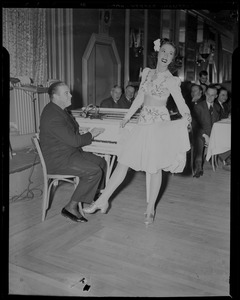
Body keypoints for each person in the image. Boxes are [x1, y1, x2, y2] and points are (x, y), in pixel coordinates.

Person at [83, 39, 191, 226]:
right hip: (142, 123)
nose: (166, 56)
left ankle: (150, 208)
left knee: (154, 168)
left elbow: (181, 103)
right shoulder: (147, 73)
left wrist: (187, 118)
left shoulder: (172, 80)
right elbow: (139, 98)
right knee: (123, 162)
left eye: (170, 53)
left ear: (173, 59)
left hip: (159, 125)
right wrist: (127, 117)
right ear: (157, 53)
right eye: (163, 51)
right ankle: (102, 200)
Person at [39, 81, 107, 223]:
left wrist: (79, 131)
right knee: (94, 171)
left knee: (101, 162)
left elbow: (67, 132)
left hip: (69, 152)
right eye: (66, 93)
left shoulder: (58, 109)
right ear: (55, 96)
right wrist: (91, 134)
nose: (70, 95)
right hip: (59, 160)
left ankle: (93, 197)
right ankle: (70, 207)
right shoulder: (53, 115)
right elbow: (75, 142)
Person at [192, 84, 230, 177]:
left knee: (225, 138)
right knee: (199, 142)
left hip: (213, 133)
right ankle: (198, 168)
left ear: (216, 96)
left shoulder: (217, 107)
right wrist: (205, 136)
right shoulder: (199, 106)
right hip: (200, 133)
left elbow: (217, 122)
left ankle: (227, 160)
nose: (210, 97)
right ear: (205, 94)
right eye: (208, 94)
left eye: (212, 95)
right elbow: (196, 125)